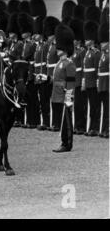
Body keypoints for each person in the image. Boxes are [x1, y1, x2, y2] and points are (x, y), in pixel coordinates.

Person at [52, 24, 76, 153]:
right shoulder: (59, 63)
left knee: (66, 120)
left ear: (65, 48)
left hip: (65, 95)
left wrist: (69, 98)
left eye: (59, 47)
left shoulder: (69, 63)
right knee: (62, 120)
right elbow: (57, 79)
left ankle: (67, 144)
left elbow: (71, 82)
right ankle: (63, 141)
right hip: (58, 94)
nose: (57, 49)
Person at [82, 20, 101, 136]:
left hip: (94, 83)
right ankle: (91, 127)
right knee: (91, 106)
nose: (85, 40)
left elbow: (96, 70)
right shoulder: (87, 53)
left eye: (87, 39)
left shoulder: (96, 53)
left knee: (95, 106)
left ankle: (95, 127)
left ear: (92, 40)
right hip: (88, 83)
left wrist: (97, 83)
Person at [69, 18, 87, 135]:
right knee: (75, 106)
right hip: (74, 82)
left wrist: (83, 82)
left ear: (78, 40)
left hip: (80, 81)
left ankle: (81, 126)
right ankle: (76, 125)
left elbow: (83, 68)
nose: (73, 41)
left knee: (81, 105)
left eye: (75, 39)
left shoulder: (82, 51)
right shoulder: (73, 51)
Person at [97, 21, 109, 138]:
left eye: (103, 42)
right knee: (105, 108)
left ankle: (107, 129)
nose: (101, 44)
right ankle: (104, 129)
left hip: (107, 84)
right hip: (103, 84)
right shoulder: (103, 54)